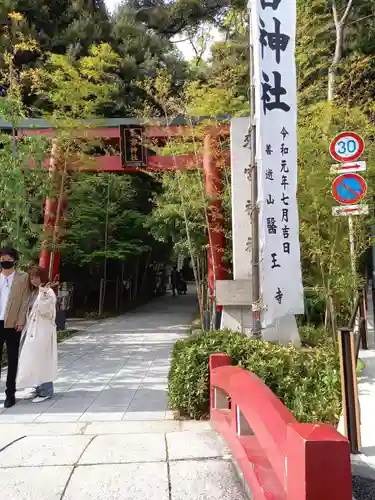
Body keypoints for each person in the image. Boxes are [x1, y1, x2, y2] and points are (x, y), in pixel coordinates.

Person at [16, 266, 57, 403]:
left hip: (43, 330)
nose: (33, 279)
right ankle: (37, 387)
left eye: (35, 276)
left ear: (41, 276)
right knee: (32, 359)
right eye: (31, 277)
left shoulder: (48, 291)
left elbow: (47, 311)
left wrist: (44, 294)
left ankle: (46, 390)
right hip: (32, 329)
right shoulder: (34, 292)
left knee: (43, 360)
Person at [0, 247, 30, 408]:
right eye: (3, 258)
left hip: (13, 324)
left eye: (8, 259)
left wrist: (21, 320)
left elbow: (25, 300)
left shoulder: (22, 277)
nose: (5, 261)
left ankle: (10, 394)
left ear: (14, 261)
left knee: (12, 359)